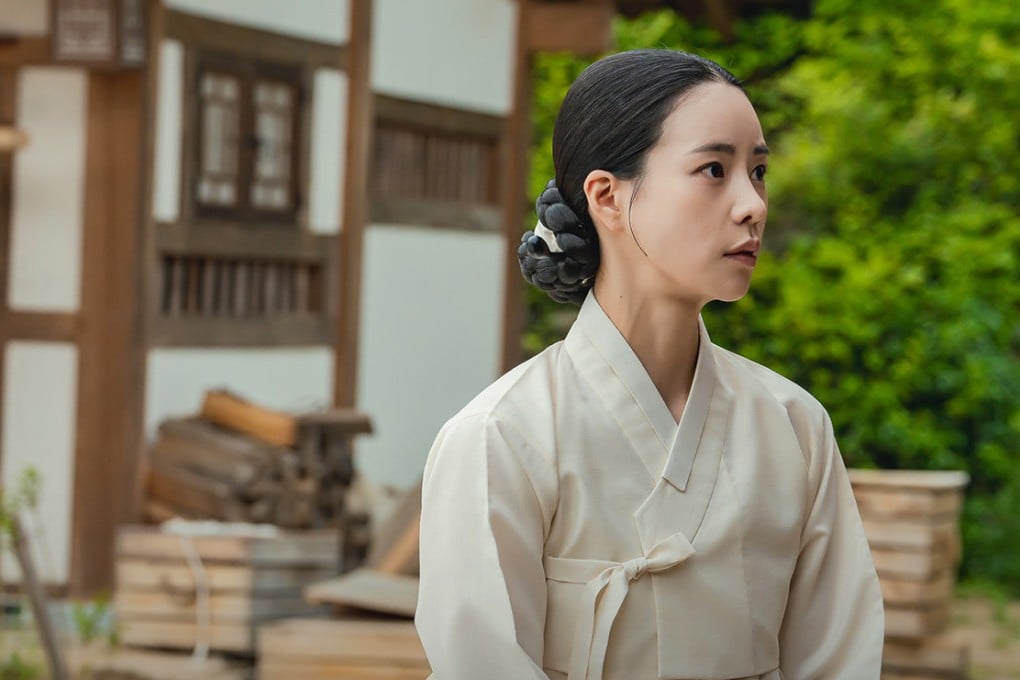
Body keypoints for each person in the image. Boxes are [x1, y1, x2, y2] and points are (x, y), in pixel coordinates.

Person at [415, 49, 884, 680]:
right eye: (715, 169)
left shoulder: (794, 426)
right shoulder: (502, 436)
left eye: (760, 170)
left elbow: (840, 659)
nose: (753, 205)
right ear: (607, 197)